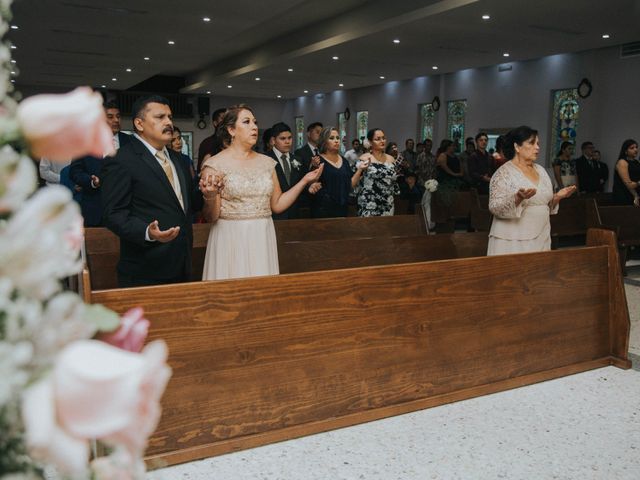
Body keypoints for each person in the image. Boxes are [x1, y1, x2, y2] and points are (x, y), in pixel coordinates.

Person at [199, 105, 322, 280]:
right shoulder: (215, 165)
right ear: (231, 130)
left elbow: (278, 205)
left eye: (255, 122)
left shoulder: (267, 163)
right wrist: (210, 196)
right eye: (247, 122)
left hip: (262, 234)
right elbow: (211, 216)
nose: (254, 126)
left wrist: (304, 180)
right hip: (230, 236)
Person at [101, 95, 203, 287]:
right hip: (145, 267)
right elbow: (113, 214)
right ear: (139, 124)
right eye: (160, 117)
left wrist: (208, 191)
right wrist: (147, 232)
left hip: (182, 262)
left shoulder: (179, 160)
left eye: (170, 117)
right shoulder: (121, 159)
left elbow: (190, 205)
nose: (169, 123)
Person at [487, 126, 576, 255]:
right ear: (517, 147)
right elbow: (494, 207)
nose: (537, 148)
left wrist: (557, 197)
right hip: (512, 240)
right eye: (532, 143)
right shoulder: (503, 173)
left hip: (542, 235)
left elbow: (544, 204)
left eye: (538, 143)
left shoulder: (541, 170)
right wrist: (518, 198)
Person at [70, 101, 131, 226]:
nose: (116, 120)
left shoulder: (130, 142)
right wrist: (91, 181)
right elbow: (75, 172)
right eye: (110, 117)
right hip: (95, 208)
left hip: (125, 209)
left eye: (118, 116)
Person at [308, 126, 360, 218]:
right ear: (324, 141)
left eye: (338, 138)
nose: (336, 141)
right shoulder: (318, 160)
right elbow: (311, 186)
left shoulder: (344, 161)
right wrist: (313, 167)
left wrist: (360, 170)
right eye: (331, 138)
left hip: (342, 209)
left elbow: (350, 185)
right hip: (322, 211)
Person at [353, 128, 399, 216]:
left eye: (383, 138)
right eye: (377, 139)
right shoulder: (364, 158)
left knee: (386, 229)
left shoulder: (391, 159)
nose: (382, 141)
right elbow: (353, 183)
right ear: (370, 142)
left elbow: (394, 183)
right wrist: (360, 169)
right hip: (369, 204)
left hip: (387, 203)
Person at [265, 122, 306, 220]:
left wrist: (311, 185)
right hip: (273, 214)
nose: (287, 142)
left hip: (294, 212)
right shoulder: (266, 159)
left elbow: (301, 182)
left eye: (290, 138)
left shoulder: (297, 159)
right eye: (283, 138)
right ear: (273, 140)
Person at [197, 107, 227, 173]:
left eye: (227, 118)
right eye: (222, 118)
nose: (226, 122)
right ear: (215, 123)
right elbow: (201, 171)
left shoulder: (234, 142)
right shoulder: (207, 143)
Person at [612, 139, 640, 206]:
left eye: (636, 147)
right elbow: (628, 184)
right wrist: (636, 195)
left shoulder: (636, 162)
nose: (635, 150)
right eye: (632, 148)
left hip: (635, 194)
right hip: (624, 195)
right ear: (625, 151)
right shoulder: (622, 162)